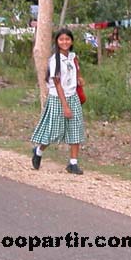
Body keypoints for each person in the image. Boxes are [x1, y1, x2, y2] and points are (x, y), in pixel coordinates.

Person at [31, 28, 86, 175]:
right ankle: (38, 151)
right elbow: (57, 83)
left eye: (67, 39)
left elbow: (77, 69)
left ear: (72, 41)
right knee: (53, 131)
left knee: (75, 129)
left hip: (72, 95)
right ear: (57, 42)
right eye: (61, 39)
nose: (65, 42)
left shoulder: (73, 57)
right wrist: (65, 106)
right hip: (58, 98)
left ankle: (73, 163)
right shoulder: (55, 60)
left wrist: (79, 78)